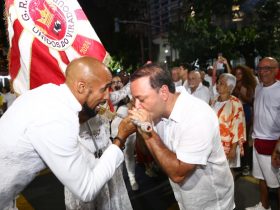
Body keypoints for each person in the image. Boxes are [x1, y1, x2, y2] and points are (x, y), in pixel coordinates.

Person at [0, 57, 136, 210]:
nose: (106, 97)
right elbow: (87, 190)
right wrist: (120, 138)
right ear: (81, 86)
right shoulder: (58, 117)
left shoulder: (51, 95)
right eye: (104, 89)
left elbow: (86, 159)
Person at [127, 63, 234, 210]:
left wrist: (148, 132)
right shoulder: (157, 112)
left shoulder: (197, 116)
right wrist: (141, 128)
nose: (137, 107)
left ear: (163, 92)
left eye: (141, 99)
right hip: (185, 200)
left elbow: (177, 174)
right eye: (134, 100)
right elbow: (146, 152)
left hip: (212, 204)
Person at [246, 57, 280, 210]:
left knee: (277, 183)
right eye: (260, 69)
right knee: (261, 177)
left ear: (276, 70)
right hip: (258, 140)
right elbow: (257, 112)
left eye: (267, 68)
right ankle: (264, 206)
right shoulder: (258, 88)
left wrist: (278, 148)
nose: (262, 72)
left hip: (273, 143)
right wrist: (252, 133)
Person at [211, 73, 246, 169]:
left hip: (229, 145)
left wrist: (233, 149)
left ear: (230, 88)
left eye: (221, 83)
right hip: (214, 142)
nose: (217, 85)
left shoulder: (235, 103)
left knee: (227, 172)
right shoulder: (214, 100)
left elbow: (237, 127)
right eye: (218, 82)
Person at [232, 65, 257, 175]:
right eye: (236, 73)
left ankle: (246, 165)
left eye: (240, 73)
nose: (238, 76)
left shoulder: (248, 85)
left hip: (245, 111)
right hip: (234, 112)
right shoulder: (233, 84)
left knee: (244, 140)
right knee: (236, 139)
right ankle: (239, 163)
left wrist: (240, 92)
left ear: (245, 74)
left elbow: (250, 100)